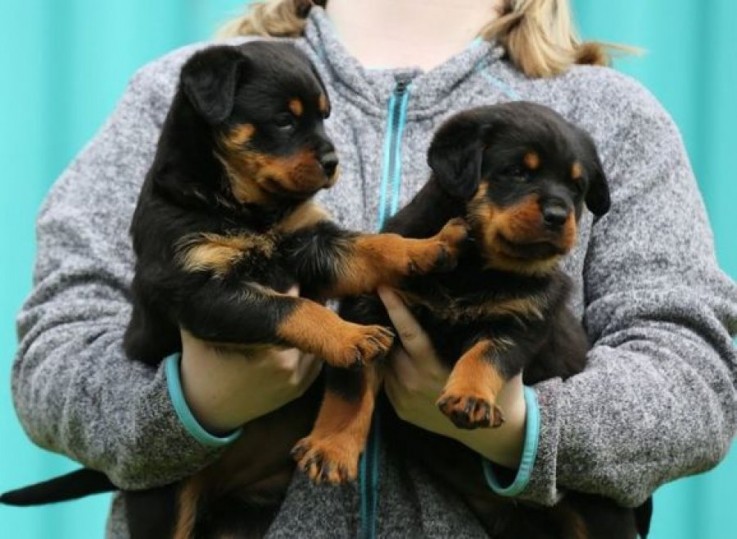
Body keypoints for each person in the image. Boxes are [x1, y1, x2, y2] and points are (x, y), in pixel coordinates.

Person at [11, 0, 737, 537]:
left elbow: (697, 381)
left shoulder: (608, 112)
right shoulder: (186, 89)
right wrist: (191, 404)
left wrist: (522, 427)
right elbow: (51, 356)